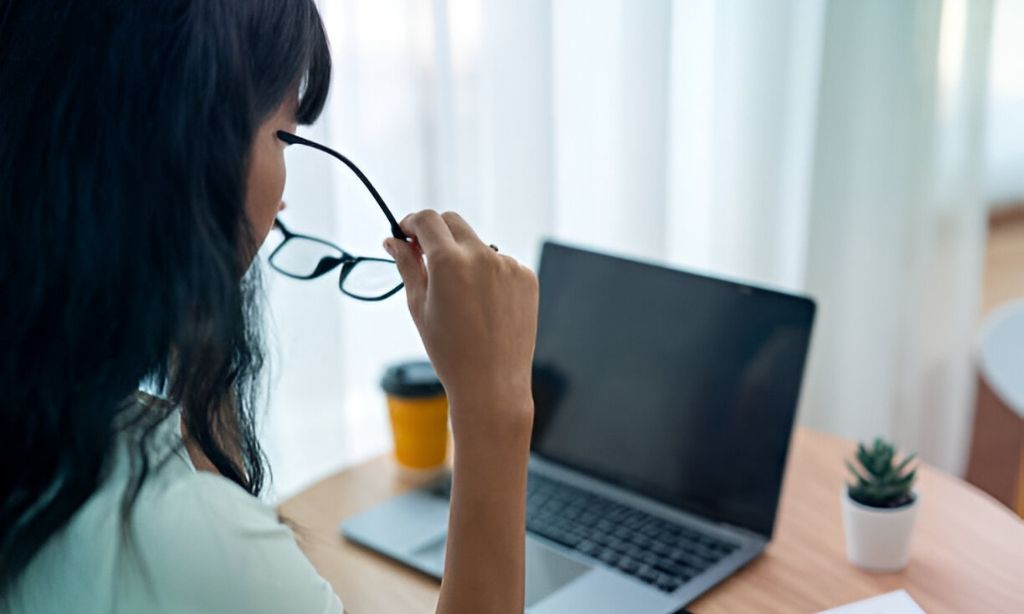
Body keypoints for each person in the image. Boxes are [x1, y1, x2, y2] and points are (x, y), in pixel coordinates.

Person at [0, 1, 538, 612]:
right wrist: (496, 404)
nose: (280, 204)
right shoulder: (176, 535)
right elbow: (211, 550)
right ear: (195, 151)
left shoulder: (55, 439)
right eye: (285, 136)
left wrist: (200, 299)